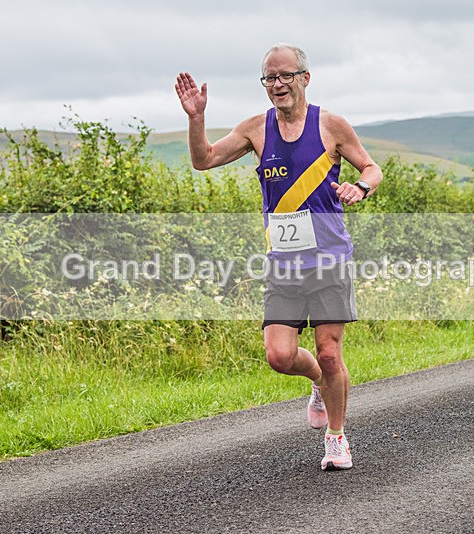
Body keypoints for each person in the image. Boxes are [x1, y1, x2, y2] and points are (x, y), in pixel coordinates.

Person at [175, 44, 383, 470]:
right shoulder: (256, 129)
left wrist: (359, 187)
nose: (277, 84)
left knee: (330, 352)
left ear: (305, 78)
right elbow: (204, 160)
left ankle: (336, 438)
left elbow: (371, 168)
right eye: (270, 77)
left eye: (286, 75)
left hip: (328, 258)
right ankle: (317, 382)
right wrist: (196, 119)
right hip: (284, 263)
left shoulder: (330, 125)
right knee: (279, 357)